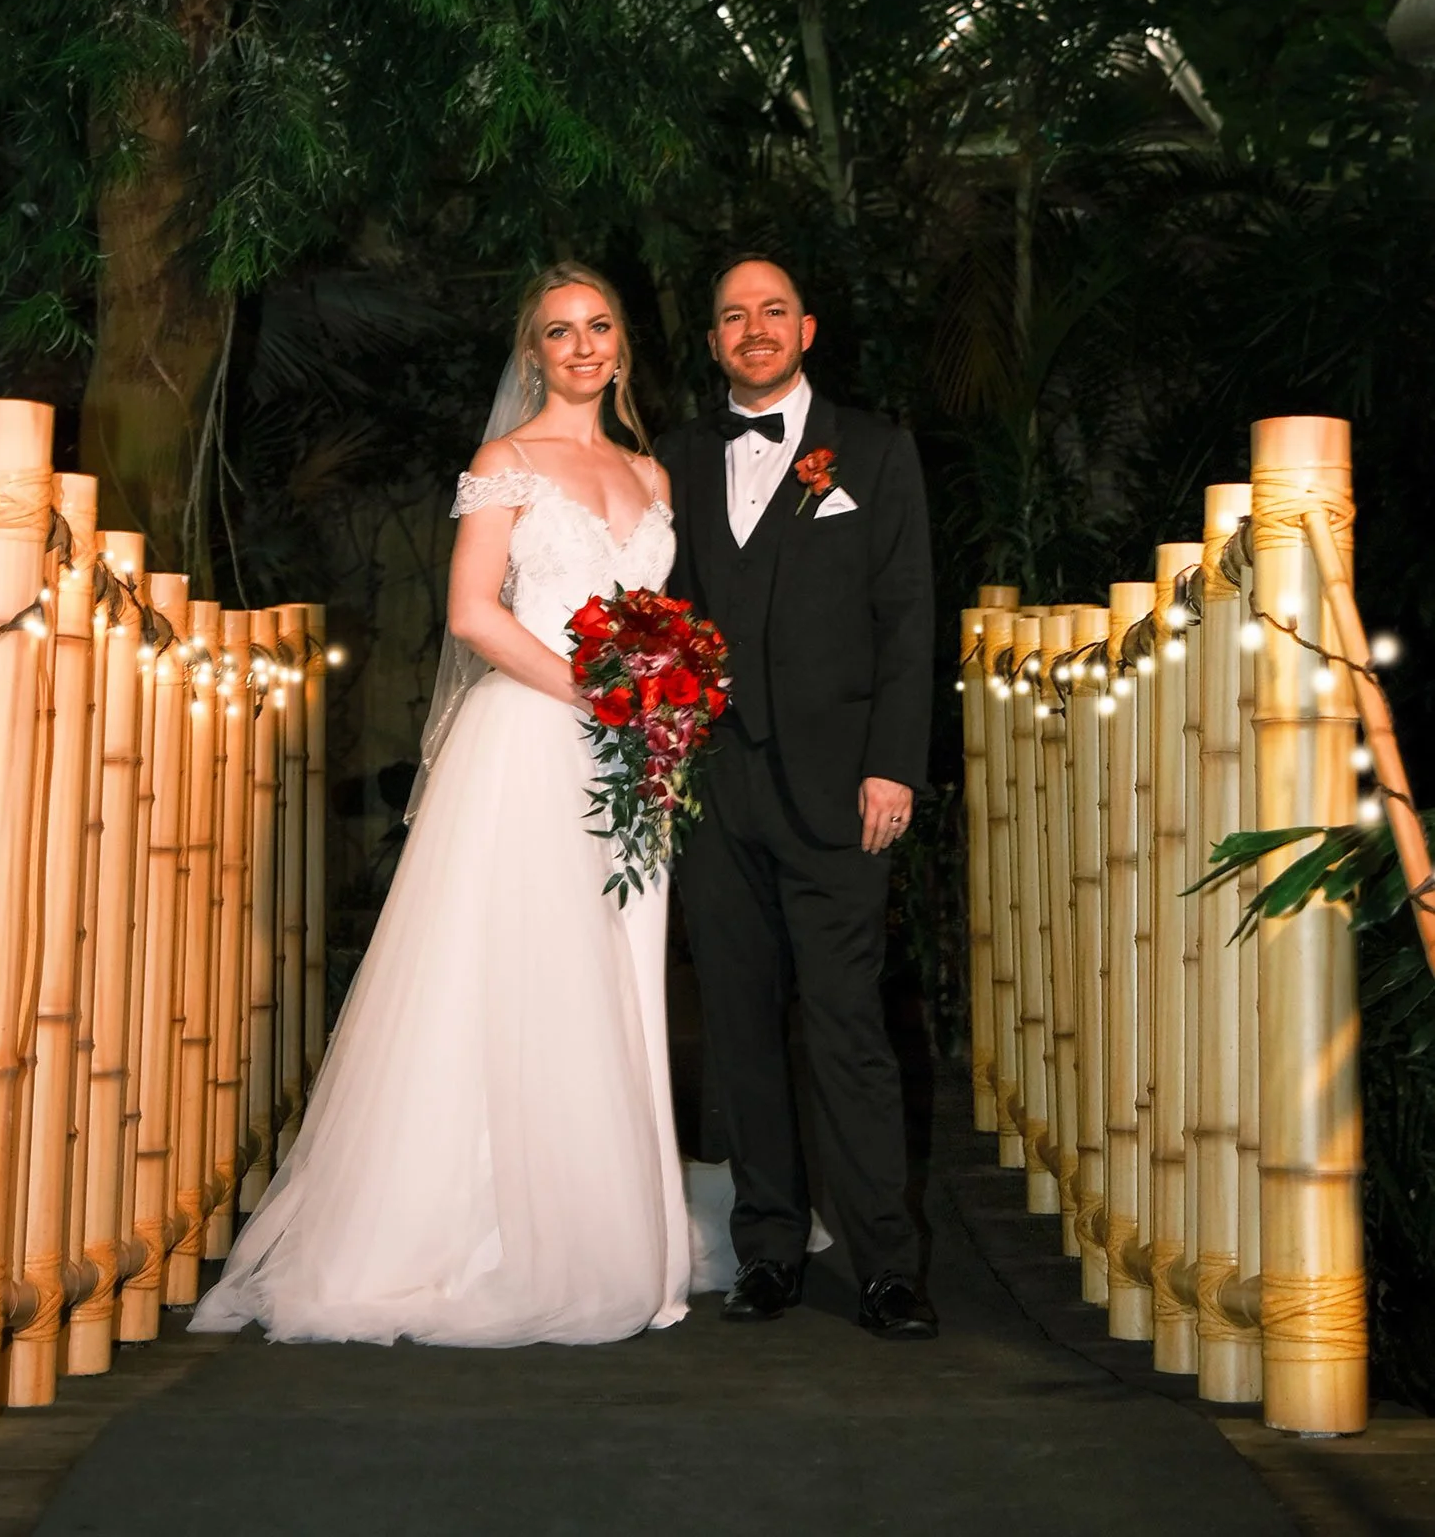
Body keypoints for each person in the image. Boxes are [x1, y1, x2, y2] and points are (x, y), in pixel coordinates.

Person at [191, 263, 689, 1346]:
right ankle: (484, 1232)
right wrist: (600, 693)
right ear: (533, 355)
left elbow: (653, 616)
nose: (584, 345)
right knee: (515, 977)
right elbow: (472, 612)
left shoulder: (652, 475)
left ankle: (618, 1228)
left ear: (622, 345)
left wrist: (656, 705)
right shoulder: (504, 461)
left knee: (614, 978)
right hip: (530, 743)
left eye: (599, 325)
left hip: (631, 762)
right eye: (560, 332)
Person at [658, 255, 938, 1340]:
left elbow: (908, 615)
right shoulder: (676, 456)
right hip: (713, 787)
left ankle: (885, 1264)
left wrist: (894, 764)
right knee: (736, 1025)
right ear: (714, 338)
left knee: (847, 1024)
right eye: (734, 314)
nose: (755, 328)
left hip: (840, 787)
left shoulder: (874, 448)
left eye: (773, 310)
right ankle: (766, 1247)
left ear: (808, 327)